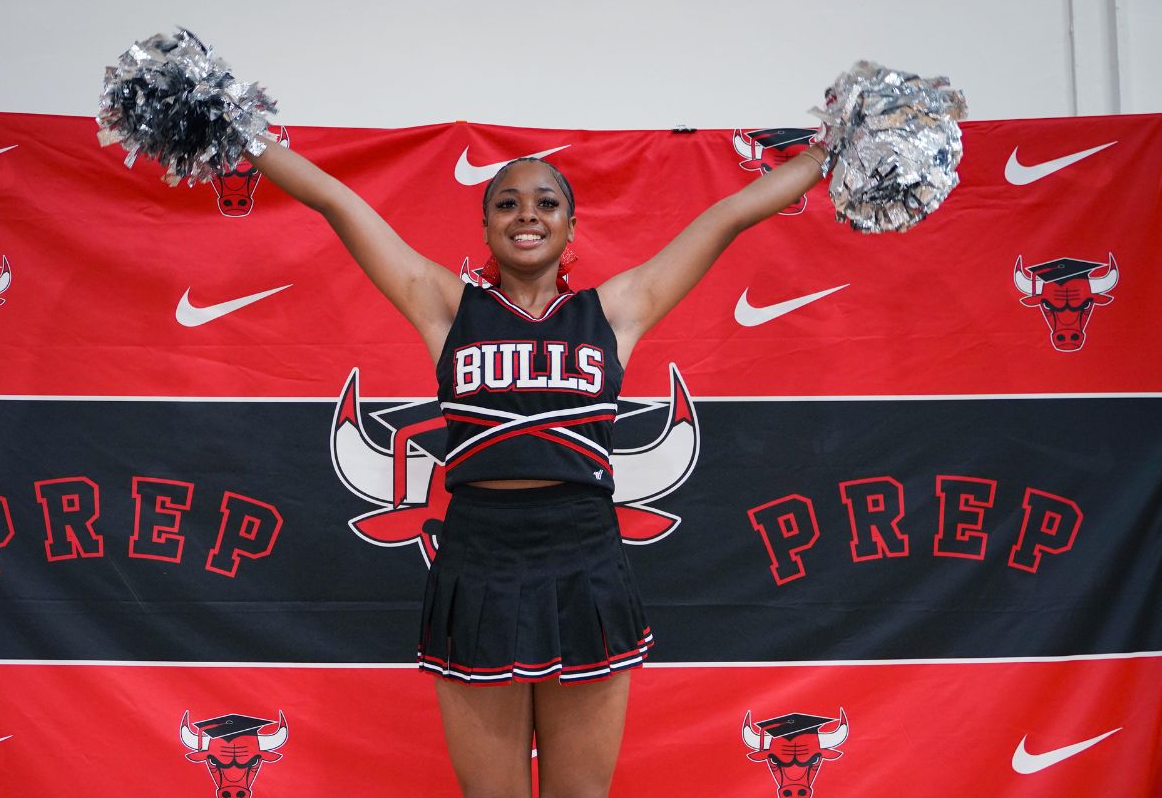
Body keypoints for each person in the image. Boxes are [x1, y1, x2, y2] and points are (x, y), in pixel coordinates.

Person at [247, 136, 827, 797]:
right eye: (507, 203)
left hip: (583, 553)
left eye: (546, 203)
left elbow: (730, 215)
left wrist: (831, 151)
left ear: (572, 226)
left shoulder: (613, 311)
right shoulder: (446, 306)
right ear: (487, 226)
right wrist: (241, 131)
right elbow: (334, 200)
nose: (527, 214)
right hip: (478, 557)